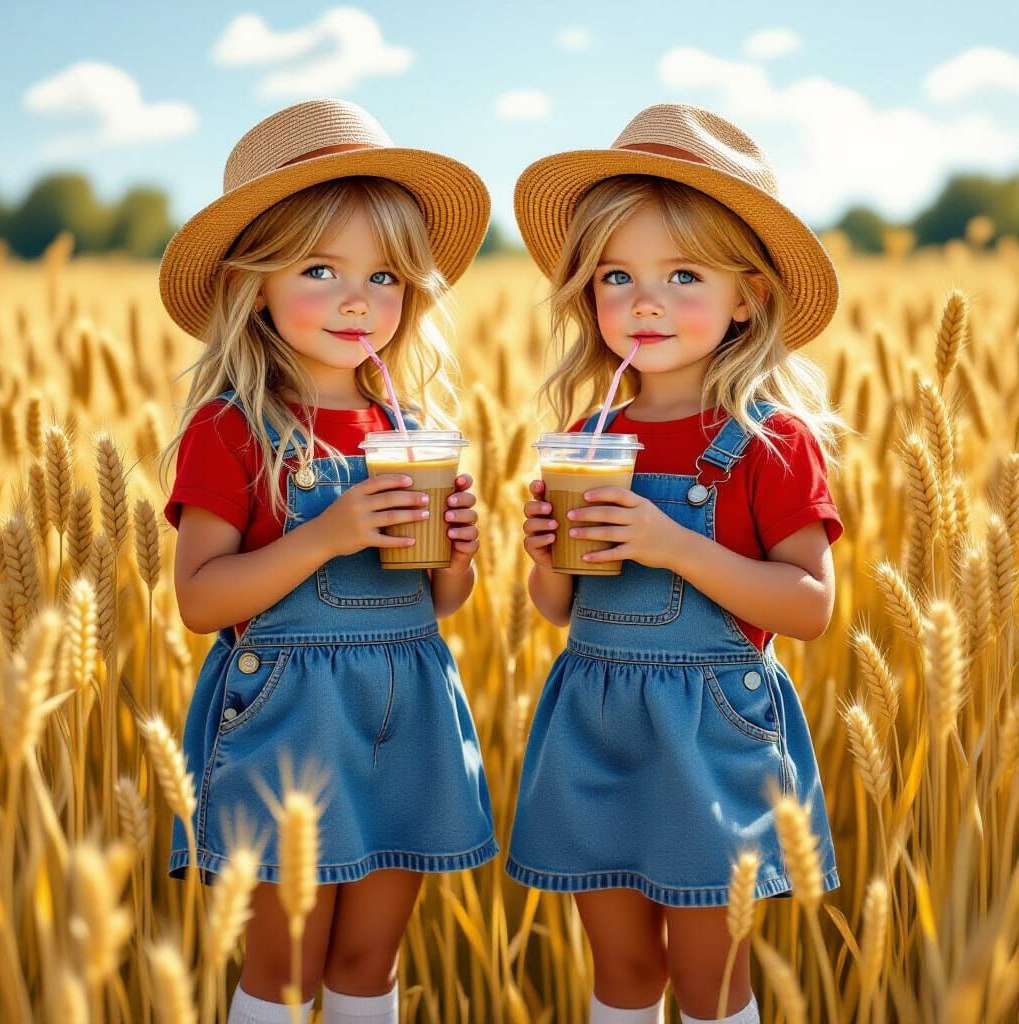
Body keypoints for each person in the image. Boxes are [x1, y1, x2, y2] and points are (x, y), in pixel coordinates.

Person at [157, 98, 497, 1024]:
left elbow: (442, 601)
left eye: (384, 276)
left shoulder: (410, 428)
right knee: (287, 959)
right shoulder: (232, 428)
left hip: (409, 705)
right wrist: (327, 534)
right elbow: (201, 599)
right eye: (320, 269)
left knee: (368, 958)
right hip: (290, 715)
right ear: (251, 284)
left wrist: (457, 553)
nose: (358, 299)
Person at [508, 103, 848, 1024]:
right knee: (620, 972)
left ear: (749, 297)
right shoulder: (589, 435)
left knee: (709, 977)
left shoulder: (770, 442)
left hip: (709, 733)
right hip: (592, 717)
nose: (644, 302)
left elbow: (809, 606)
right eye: (616, 276)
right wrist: (549, 558)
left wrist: (671, 544)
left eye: (683, 275)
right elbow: (557, 608)